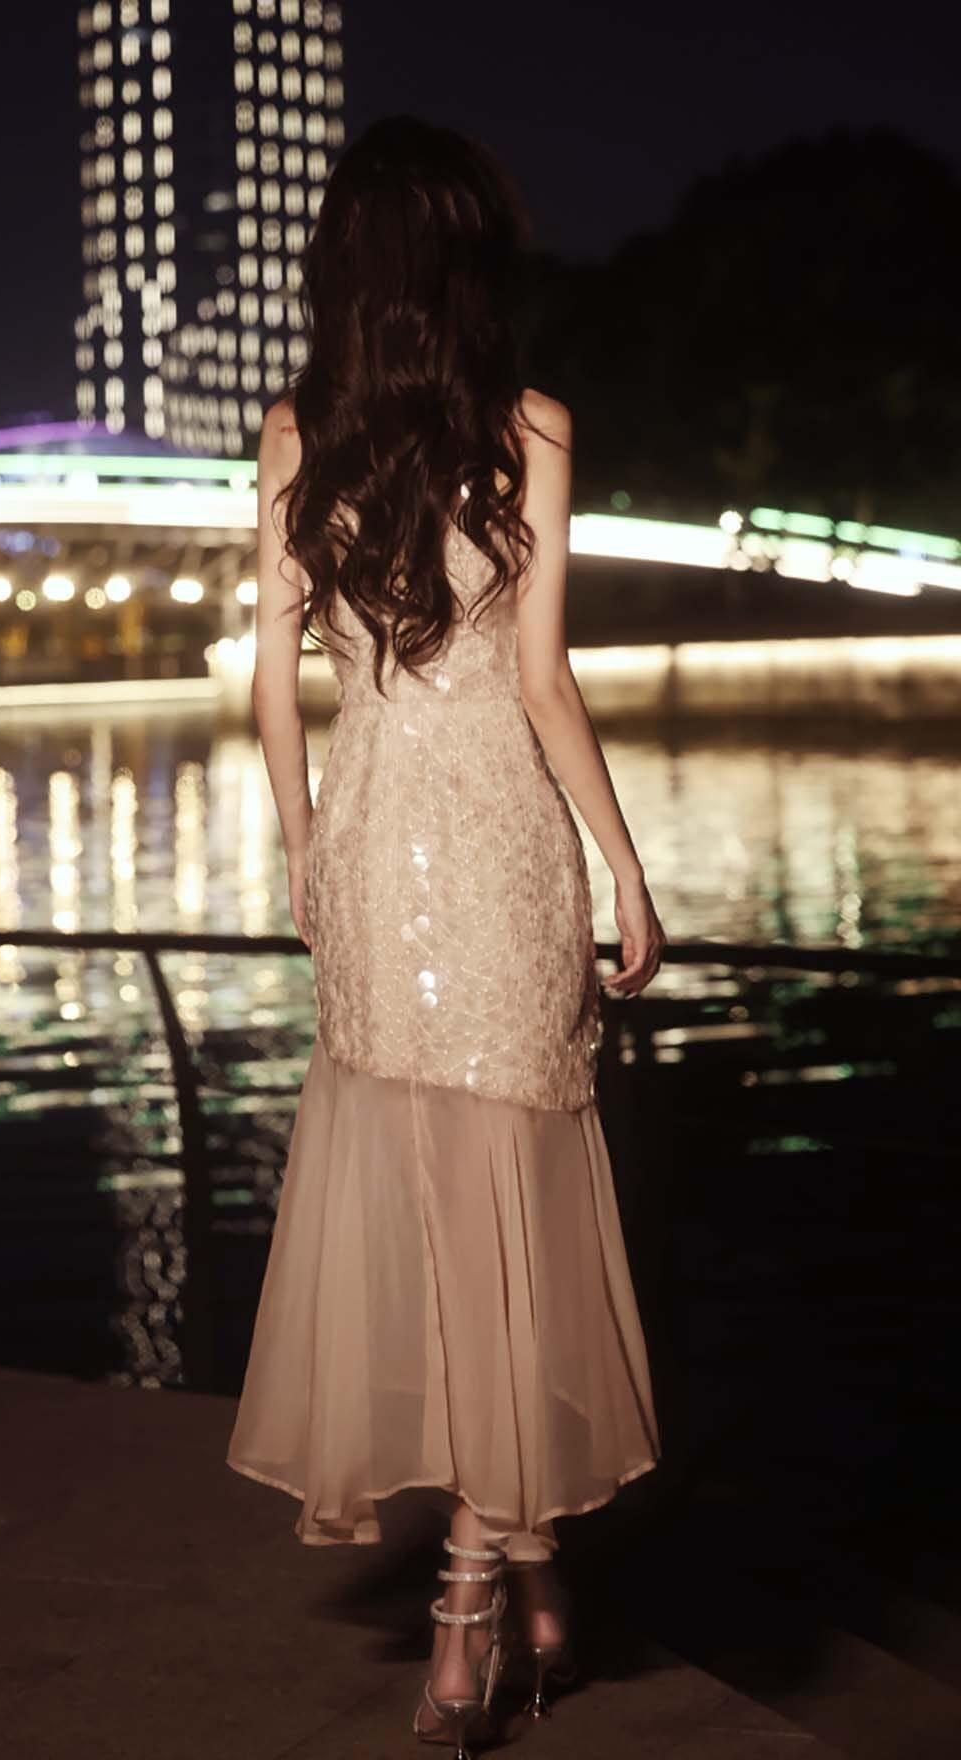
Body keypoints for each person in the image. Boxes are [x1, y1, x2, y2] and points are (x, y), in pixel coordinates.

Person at [226, 114, 665, 1756]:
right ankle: (475, 1605)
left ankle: (514, 1572)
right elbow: (542, 683)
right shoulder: (531, 429)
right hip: (496, 855)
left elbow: (276, 691)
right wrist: (624, 868)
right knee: (509, 1231)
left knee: (438, 1227)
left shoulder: (295, 434)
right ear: (468, 266)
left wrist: (306, 855)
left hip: (369, 849)